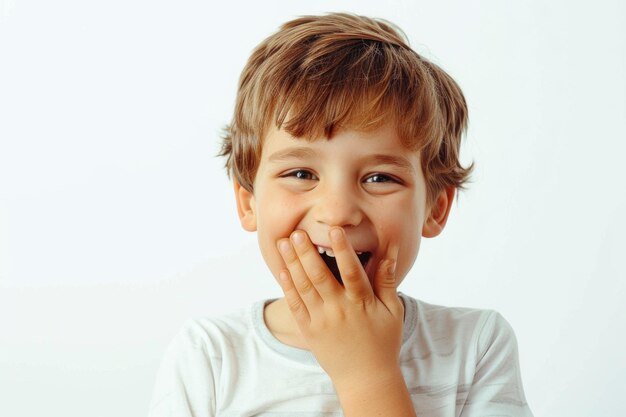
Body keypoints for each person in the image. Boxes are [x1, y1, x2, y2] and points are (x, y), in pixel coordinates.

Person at [148, 12, 533, 417]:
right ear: (248, 202)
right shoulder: (209, 357)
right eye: (301, 174)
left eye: (380, 178)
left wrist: (368, 375)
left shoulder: (476, 348)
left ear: (435, 208)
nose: (337, 213)